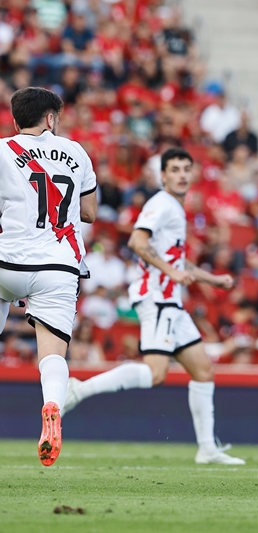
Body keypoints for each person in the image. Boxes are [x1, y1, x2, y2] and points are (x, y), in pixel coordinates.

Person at [62, 148, 244, 465]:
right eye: (174, 169)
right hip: (156, 297)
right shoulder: (161, 204)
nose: (182, 175)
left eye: (187, 168)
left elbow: (176, 259)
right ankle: (78, 390)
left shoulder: (174, 206)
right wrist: (172, 272)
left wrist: (210, 279)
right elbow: (137, 242)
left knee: (203, 370)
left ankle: (207, 449)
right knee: (155, 372)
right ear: (162, 176)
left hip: (170, 299)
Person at [0, 87, 98, 466]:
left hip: (7, 260)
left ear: (15, 119)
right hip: (58, 265)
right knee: (52, 354)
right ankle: (53, 405)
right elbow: (88, 212)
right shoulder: (76, 152)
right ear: (51, 119)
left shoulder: (4, 150)